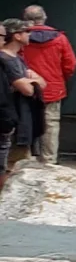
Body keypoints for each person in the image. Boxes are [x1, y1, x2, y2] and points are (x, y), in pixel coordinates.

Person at [16, 5, 76, 164]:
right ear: (44, 18)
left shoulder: (21, 38)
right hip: (53, 89)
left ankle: (27, 160)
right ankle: (49, 161)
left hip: (26, 88)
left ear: (25, 20)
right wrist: (60, 79)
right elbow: (70, 64)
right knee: (51, 125)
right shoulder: (60, 38)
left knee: (26, 124)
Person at [0, 23, 41, 174]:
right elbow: (28, 90)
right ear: (16, 35)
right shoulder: (5, 60)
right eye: (27, 31)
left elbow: (42, 83)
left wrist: (34, 81)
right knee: (12, 166)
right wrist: (32, 82)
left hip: (20, 118)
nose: (30, 34)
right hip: (12, 119)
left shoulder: (18, 58)